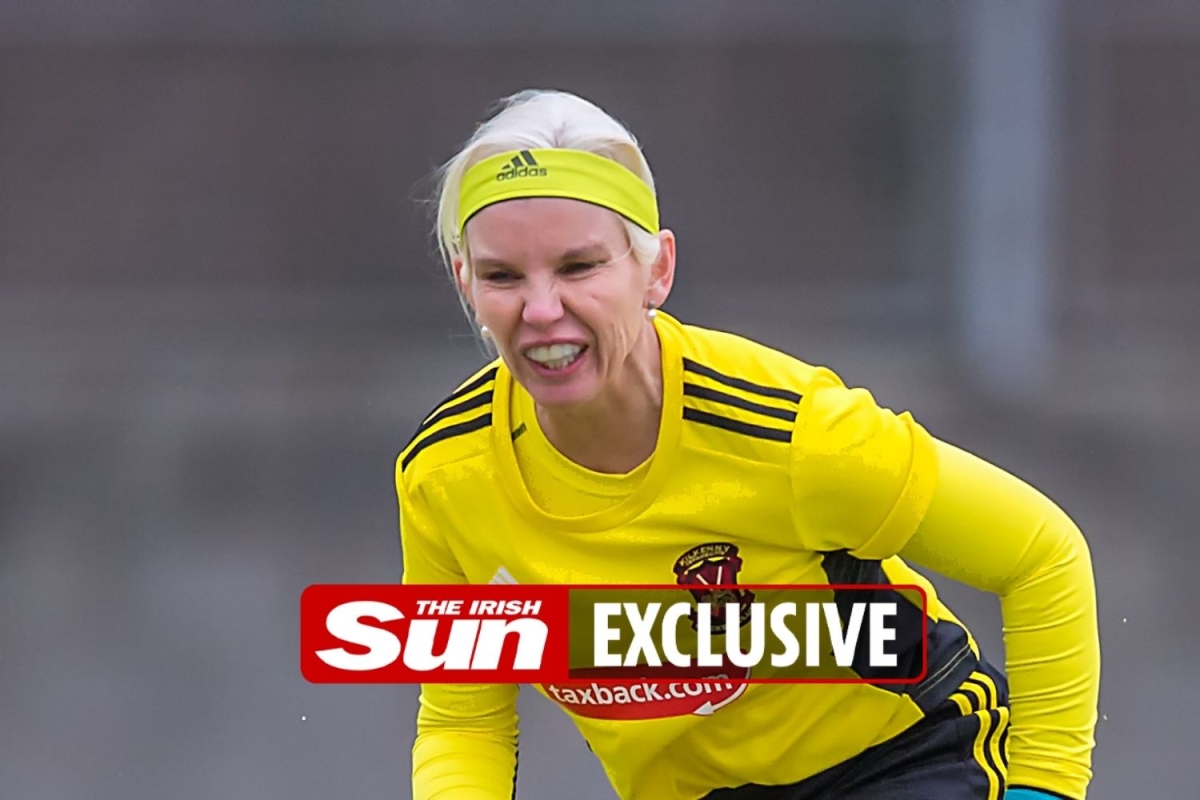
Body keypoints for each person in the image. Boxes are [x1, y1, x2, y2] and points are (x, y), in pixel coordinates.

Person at [397, 89, 1099, 800]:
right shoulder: (444, 475)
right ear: (467, 283)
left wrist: (1042, 789)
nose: (542, 309)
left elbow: (1041, 557)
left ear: (656, 271)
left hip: (906, 758)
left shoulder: (795, 433)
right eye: (503, 276)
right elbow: (465, 723)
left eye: (579, 267)